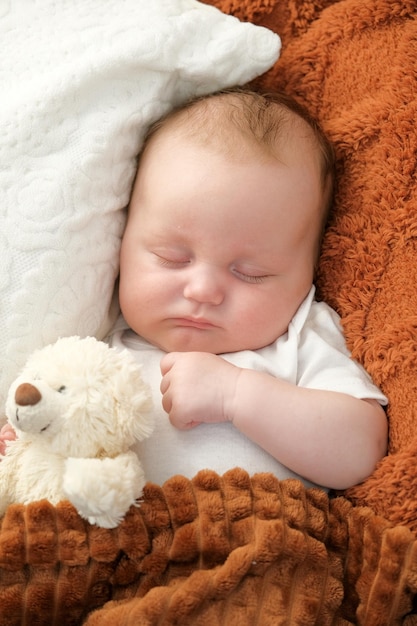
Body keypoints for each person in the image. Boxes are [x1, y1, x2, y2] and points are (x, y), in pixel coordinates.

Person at [1, 89, 388, 490]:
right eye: (171, 257)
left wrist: (236, 395)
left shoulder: (299, 338)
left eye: (251, 273)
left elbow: (361, 452)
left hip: (256, 537)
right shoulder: (98, 346)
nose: (203, 290)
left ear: (309, 271)